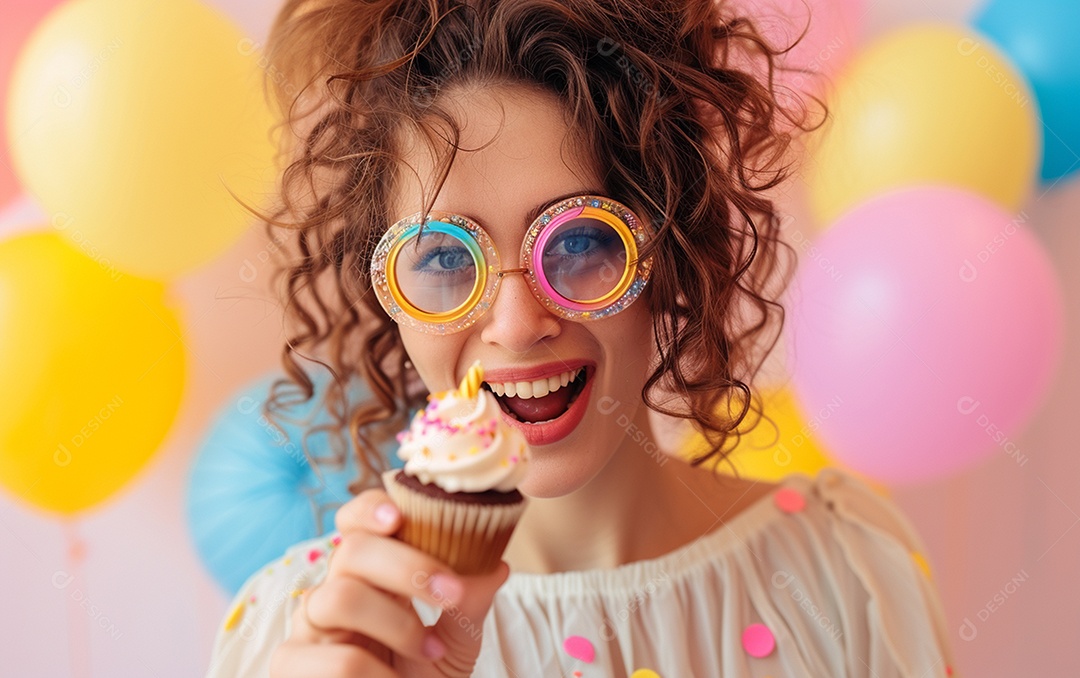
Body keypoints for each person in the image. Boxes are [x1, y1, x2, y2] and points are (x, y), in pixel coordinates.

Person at [206, 0, 958, 675]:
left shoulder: (846, 576)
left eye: (577, 244)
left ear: (666, 246)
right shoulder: (303, 638)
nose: (517, 322)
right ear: (391, 297)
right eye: (443, 259)